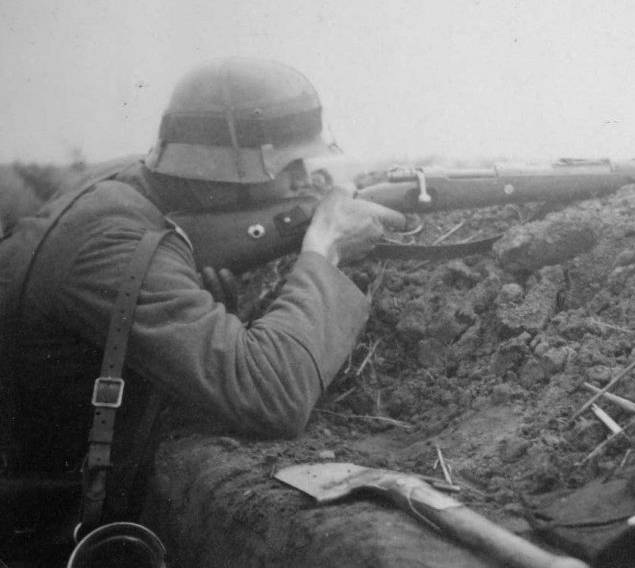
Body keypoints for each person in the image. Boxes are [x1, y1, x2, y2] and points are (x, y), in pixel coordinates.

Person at [0, 57, 405, 563]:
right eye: (287, 167)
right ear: (220, 175)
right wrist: (326, 246)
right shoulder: (112, 243)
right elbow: (272, 393)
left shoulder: (120, 187)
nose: (302, 182)